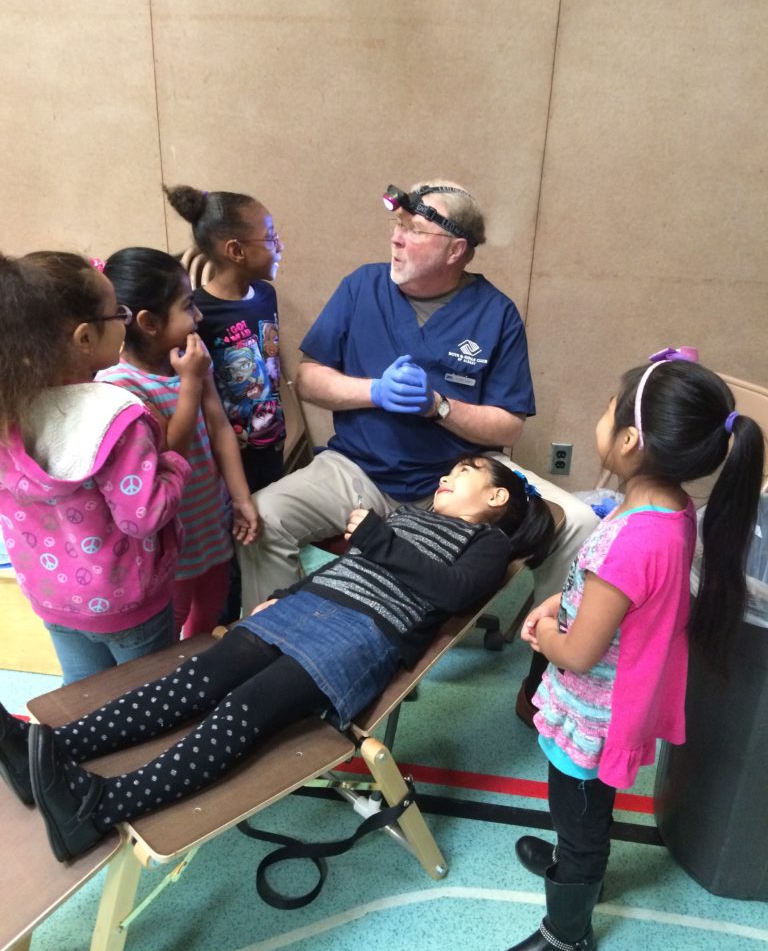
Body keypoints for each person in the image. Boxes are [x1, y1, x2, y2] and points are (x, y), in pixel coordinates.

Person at [0, 455, 555, 860]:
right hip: (309, 607)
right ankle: (48, 746)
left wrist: (379, 540)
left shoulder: (488, 546)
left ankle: (98, 808)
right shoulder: (410, 516)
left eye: (464, 471)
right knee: (194, 680)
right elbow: (347, 570)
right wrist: (287, 597)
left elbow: (453, 592)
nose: (446, 473)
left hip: (360, 637)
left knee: (243, 710)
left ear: (496, 497)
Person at [495, 351, 765, 951]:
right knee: (579, 811)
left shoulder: (636, 535)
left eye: (608, 410)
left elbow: (582, 651)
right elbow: (609, 595)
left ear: (629, 440)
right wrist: (563, 599)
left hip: (596, 706)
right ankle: (570, 856)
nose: (601, 420)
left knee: (581, 809)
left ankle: (568, 933)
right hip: (612, 695)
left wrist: (543, 634)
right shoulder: (664, 508)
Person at [236, 179, 597, 626]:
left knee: (579, 522)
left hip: (455, 482)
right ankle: (278, 637)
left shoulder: (495, 312)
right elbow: (308, 379)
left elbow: (508, 427)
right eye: (397, 223)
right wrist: (374, 392)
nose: (397, 236)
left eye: (416, 229)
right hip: (357, 471)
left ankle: (543, 653)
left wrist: (438, 406)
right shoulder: (361, 287)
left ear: (455, 250)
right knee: (263, 517)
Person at [0, 251, 191, 686]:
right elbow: (141, 515)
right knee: (149, 698)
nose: (124, 319)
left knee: (84, 696)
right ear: (85, 337)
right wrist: (175, 466)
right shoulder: (117, 416)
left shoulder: (8, 410)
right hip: (127, 602)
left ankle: (74, 752)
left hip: (52, 598)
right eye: (118, 312)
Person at [98, 248, 258, 638]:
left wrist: (240, 498)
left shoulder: (191, 360)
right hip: (171, 541)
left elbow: (220, 427)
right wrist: (189, 382)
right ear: (149, 322)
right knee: (169, 630)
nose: (199, 317)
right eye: (189, 307)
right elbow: (170, 453)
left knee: (211, 611)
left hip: (211, 523)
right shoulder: (120, 385)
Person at [164, 184, 286, 494]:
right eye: (270, 237)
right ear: (236, 251)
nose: (279, 246)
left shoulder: (266, 295)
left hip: (271, 443)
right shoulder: (198, 313)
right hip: (227, 459)